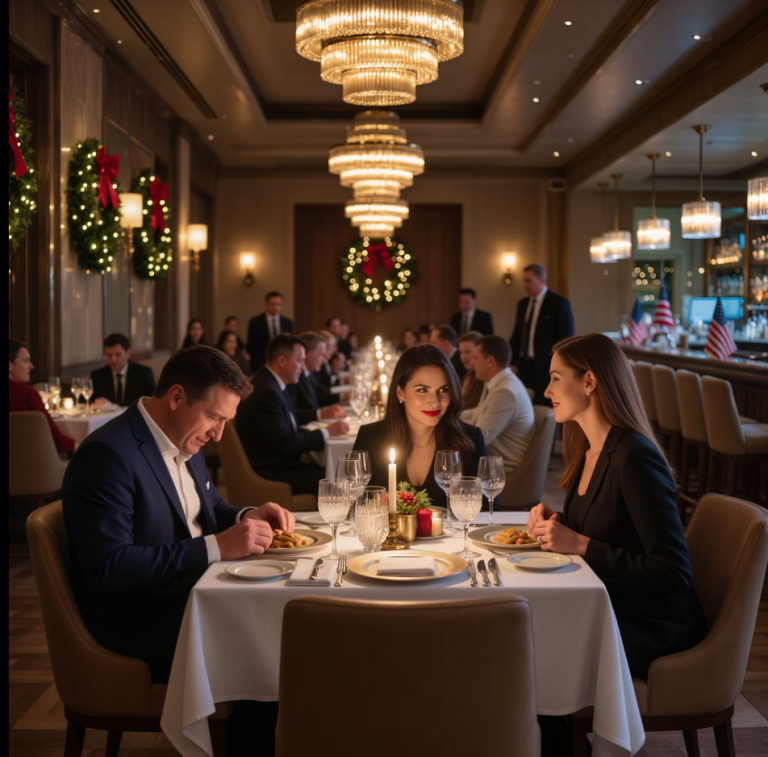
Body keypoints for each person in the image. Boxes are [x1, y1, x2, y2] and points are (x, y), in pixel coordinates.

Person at [63, 345, 296, 683]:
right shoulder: (107, 456)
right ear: (176, 397)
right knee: (271, 638)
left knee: (283, 615)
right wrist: (216, 547)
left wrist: (246, 517)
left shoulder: (186, 435)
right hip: (141, 620)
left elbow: (207, 507)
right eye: (215, 417)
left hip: (191, 596)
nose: (218, 434)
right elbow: (109, 567)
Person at [528, 334, 708, 680]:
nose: (547, 391)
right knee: (531, 627)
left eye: (555, 379)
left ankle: (563, 733)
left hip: (652, 624)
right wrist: (558, 522)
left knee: (538, 641)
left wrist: (580, 544)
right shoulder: (591, 449)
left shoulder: (635, 457)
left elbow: (674, 574)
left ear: (590, 382)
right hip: (609, 606)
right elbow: (611, 526)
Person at [354, 344, 489, 509]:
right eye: (423, 390)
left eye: (444, 390)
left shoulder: (470, 439)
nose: (435, 402)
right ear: (400, 393)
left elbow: (490, 511)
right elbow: (354, 510)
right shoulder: (370, 438)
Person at [236, 334, 349, 495]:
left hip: (279, 463)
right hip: (271, 471)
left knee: (337, 471)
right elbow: (285, 442)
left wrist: (321, 418)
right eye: (299, 361)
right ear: (282, 361)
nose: (303, 367)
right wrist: (326, 432)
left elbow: (289, 419)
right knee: (339, 478)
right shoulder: (267, 391)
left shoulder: (272, 383)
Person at [462, 336, 534, 473]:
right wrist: (450, 414)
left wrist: (450, 423)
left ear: (490, 361)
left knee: (443, 463)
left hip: (499, 468)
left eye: (475, 358)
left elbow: (481, 438)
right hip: (490, 460)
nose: (472, 363)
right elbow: (478, 412)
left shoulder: (505, 391)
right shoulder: (500, 383)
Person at [510, 264, 574, 405]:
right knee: (522, 405)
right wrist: (512, 363)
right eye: (523, 281)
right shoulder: (523, 304)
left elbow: (566, 339)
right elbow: (516, 336)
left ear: (541, 281)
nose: (524, 285)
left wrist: (558, 367)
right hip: (523, 367)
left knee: (543, 408)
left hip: (546, 368)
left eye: (528, 281)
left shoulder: (558, 303)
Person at [9, 338, 76, 456]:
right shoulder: (28, 395)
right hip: (33, 465)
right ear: (9, 365)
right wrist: (77, 445)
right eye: (26, 361)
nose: (31, 366)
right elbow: (57, 441)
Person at [286, 332, 346, 424]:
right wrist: (321, 414)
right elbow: (292, 415)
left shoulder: (308, 374)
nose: (325, 359)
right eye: (321, 355)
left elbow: (318, 395)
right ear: (309, 354)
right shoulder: (294, 377)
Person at [91, 333, 156, 409]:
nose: (113, 360)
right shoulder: (97, 375)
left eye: (117, 354)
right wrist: (97, 403)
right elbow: (89, 402)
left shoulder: (144, 373)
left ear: (128, 353)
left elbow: (153, 402)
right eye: (109, 355)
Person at [247, 291, 293, 369]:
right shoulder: (255, 322)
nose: (275, 308)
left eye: (278, 304)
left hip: (283, 365)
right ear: (266, 304)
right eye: (272, 304)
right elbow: (251, 346)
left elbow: (291, 345)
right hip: (261, 365)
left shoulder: (287, 323)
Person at [457, 331, 484, 410]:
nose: (463, 357)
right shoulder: (470, 373)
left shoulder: (482, 377)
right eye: (461, 352)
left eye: (467, 352)